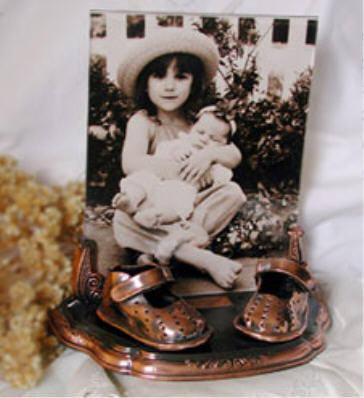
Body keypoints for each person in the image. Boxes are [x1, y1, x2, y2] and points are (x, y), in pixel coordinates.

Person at [113, 27, 246, 289]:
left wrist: (208, 155)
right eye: (159, 76)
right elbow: (131, 163)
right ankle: (200, 258)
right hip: (155, 205)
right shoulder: (144, 121)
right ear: (145, 83)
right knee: (123, 217)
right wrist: (180, 168)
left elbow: (234, 154)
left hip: (189, 209)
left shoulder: (198, 123)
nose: (170, 85)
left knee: (232, 193)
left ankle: (166, 251)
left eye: (181, 76)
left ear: (194, 83)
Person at [112, 105, 243, 230]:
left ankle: (157, 218)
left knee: (182, 202)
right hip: (158, 180)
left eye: (214, 140)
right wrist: (175, 153)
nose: (204, 139)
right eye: (200, 132)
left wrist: (211, 173)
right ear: (192, 128)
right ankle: (131, 199)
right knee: (142, 178)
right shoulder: (180, 143)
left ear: (223, 144)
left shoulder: (215, 160)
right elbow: (160, 152)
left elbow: (224, 175)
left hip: (182, 189)